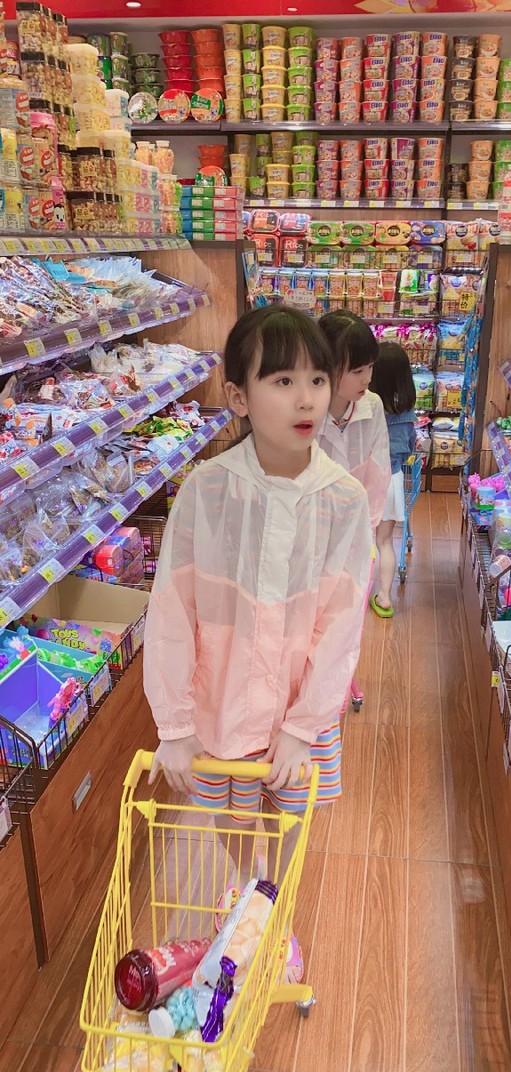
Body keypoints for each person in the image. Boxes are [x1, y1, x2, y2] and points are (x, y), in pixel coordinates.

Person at [143, 305, 372, 981]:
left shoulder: (344, 500)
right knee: (231, 814)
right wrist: (174, 725)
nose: (306, 399)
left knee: (291, 814)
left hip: (300, 706)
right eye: (282, 381)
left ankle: (276, 909)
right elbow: (173, 609)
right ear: (239, 397)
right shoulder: (207, 491)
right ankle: (248, 891)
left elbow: (342, 626)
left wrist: (304, 726)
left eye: (317, 380)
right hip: (223, 700)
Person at [317, 310, 391, 533]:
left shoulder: (373, 405)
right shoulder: (306, 409)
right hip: (310, 526)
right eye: (358, 370)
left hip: (357, 524)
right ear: (326, 366)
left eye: (371, 367)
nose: (367, 379)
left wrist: (362, 526)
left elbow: (379, 472)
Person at [368, 342, 417, 618]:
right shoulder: (406, 412)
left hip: (365, 479)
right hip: (392, 479)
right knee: (385, 541)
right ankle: (385, 597)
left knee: (359, 540)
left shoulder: (365, 407)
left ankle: (353, 594)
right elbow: (409, 446)